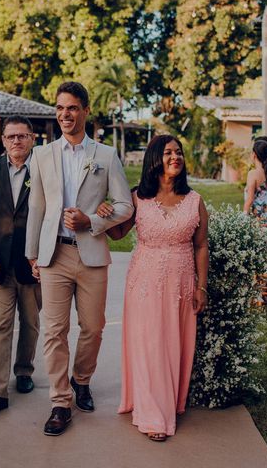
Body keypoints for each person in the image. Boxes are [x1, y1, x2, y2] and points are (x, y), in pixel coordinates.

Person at [25, 81, 133, 436]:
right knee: (54, 331)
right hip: (53, 254)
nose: (64, 114)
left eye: (71, 107)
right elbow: (37, 207)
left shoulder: (105, 156)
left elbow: (124, 206)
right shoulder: (41, 156)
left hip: (92, 254)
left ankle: (81, 379)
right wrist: (32, 254)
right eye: (59, 108)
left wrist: (93, 221)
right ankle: (60, 401)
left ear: (85, 110)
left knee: (93, 328)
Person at [97, 135, 209, 442]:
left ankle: (169, 401)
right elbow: (118, 233)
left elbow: (201, 246)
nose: (175, 157)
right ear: (154, 159)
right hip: (145, 282)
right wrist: (105, 213)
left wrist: (202, 287)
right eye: (168, 152)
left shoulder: (195, 201)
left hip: (182, 283)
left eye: (179, 152)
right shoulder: (138, 198)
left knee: (173, 344)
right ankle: (153, 415)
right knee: (149, 346)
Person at [0, 115, 42, 413]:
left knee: (30, 322)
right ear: (2, 140)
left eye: (22, 136)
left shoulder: (42, 169)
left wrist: (43, 253)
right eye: (11, 136)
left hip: (33, 261)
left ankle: (24, 370)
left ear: (32, 139)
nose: (17, 141)